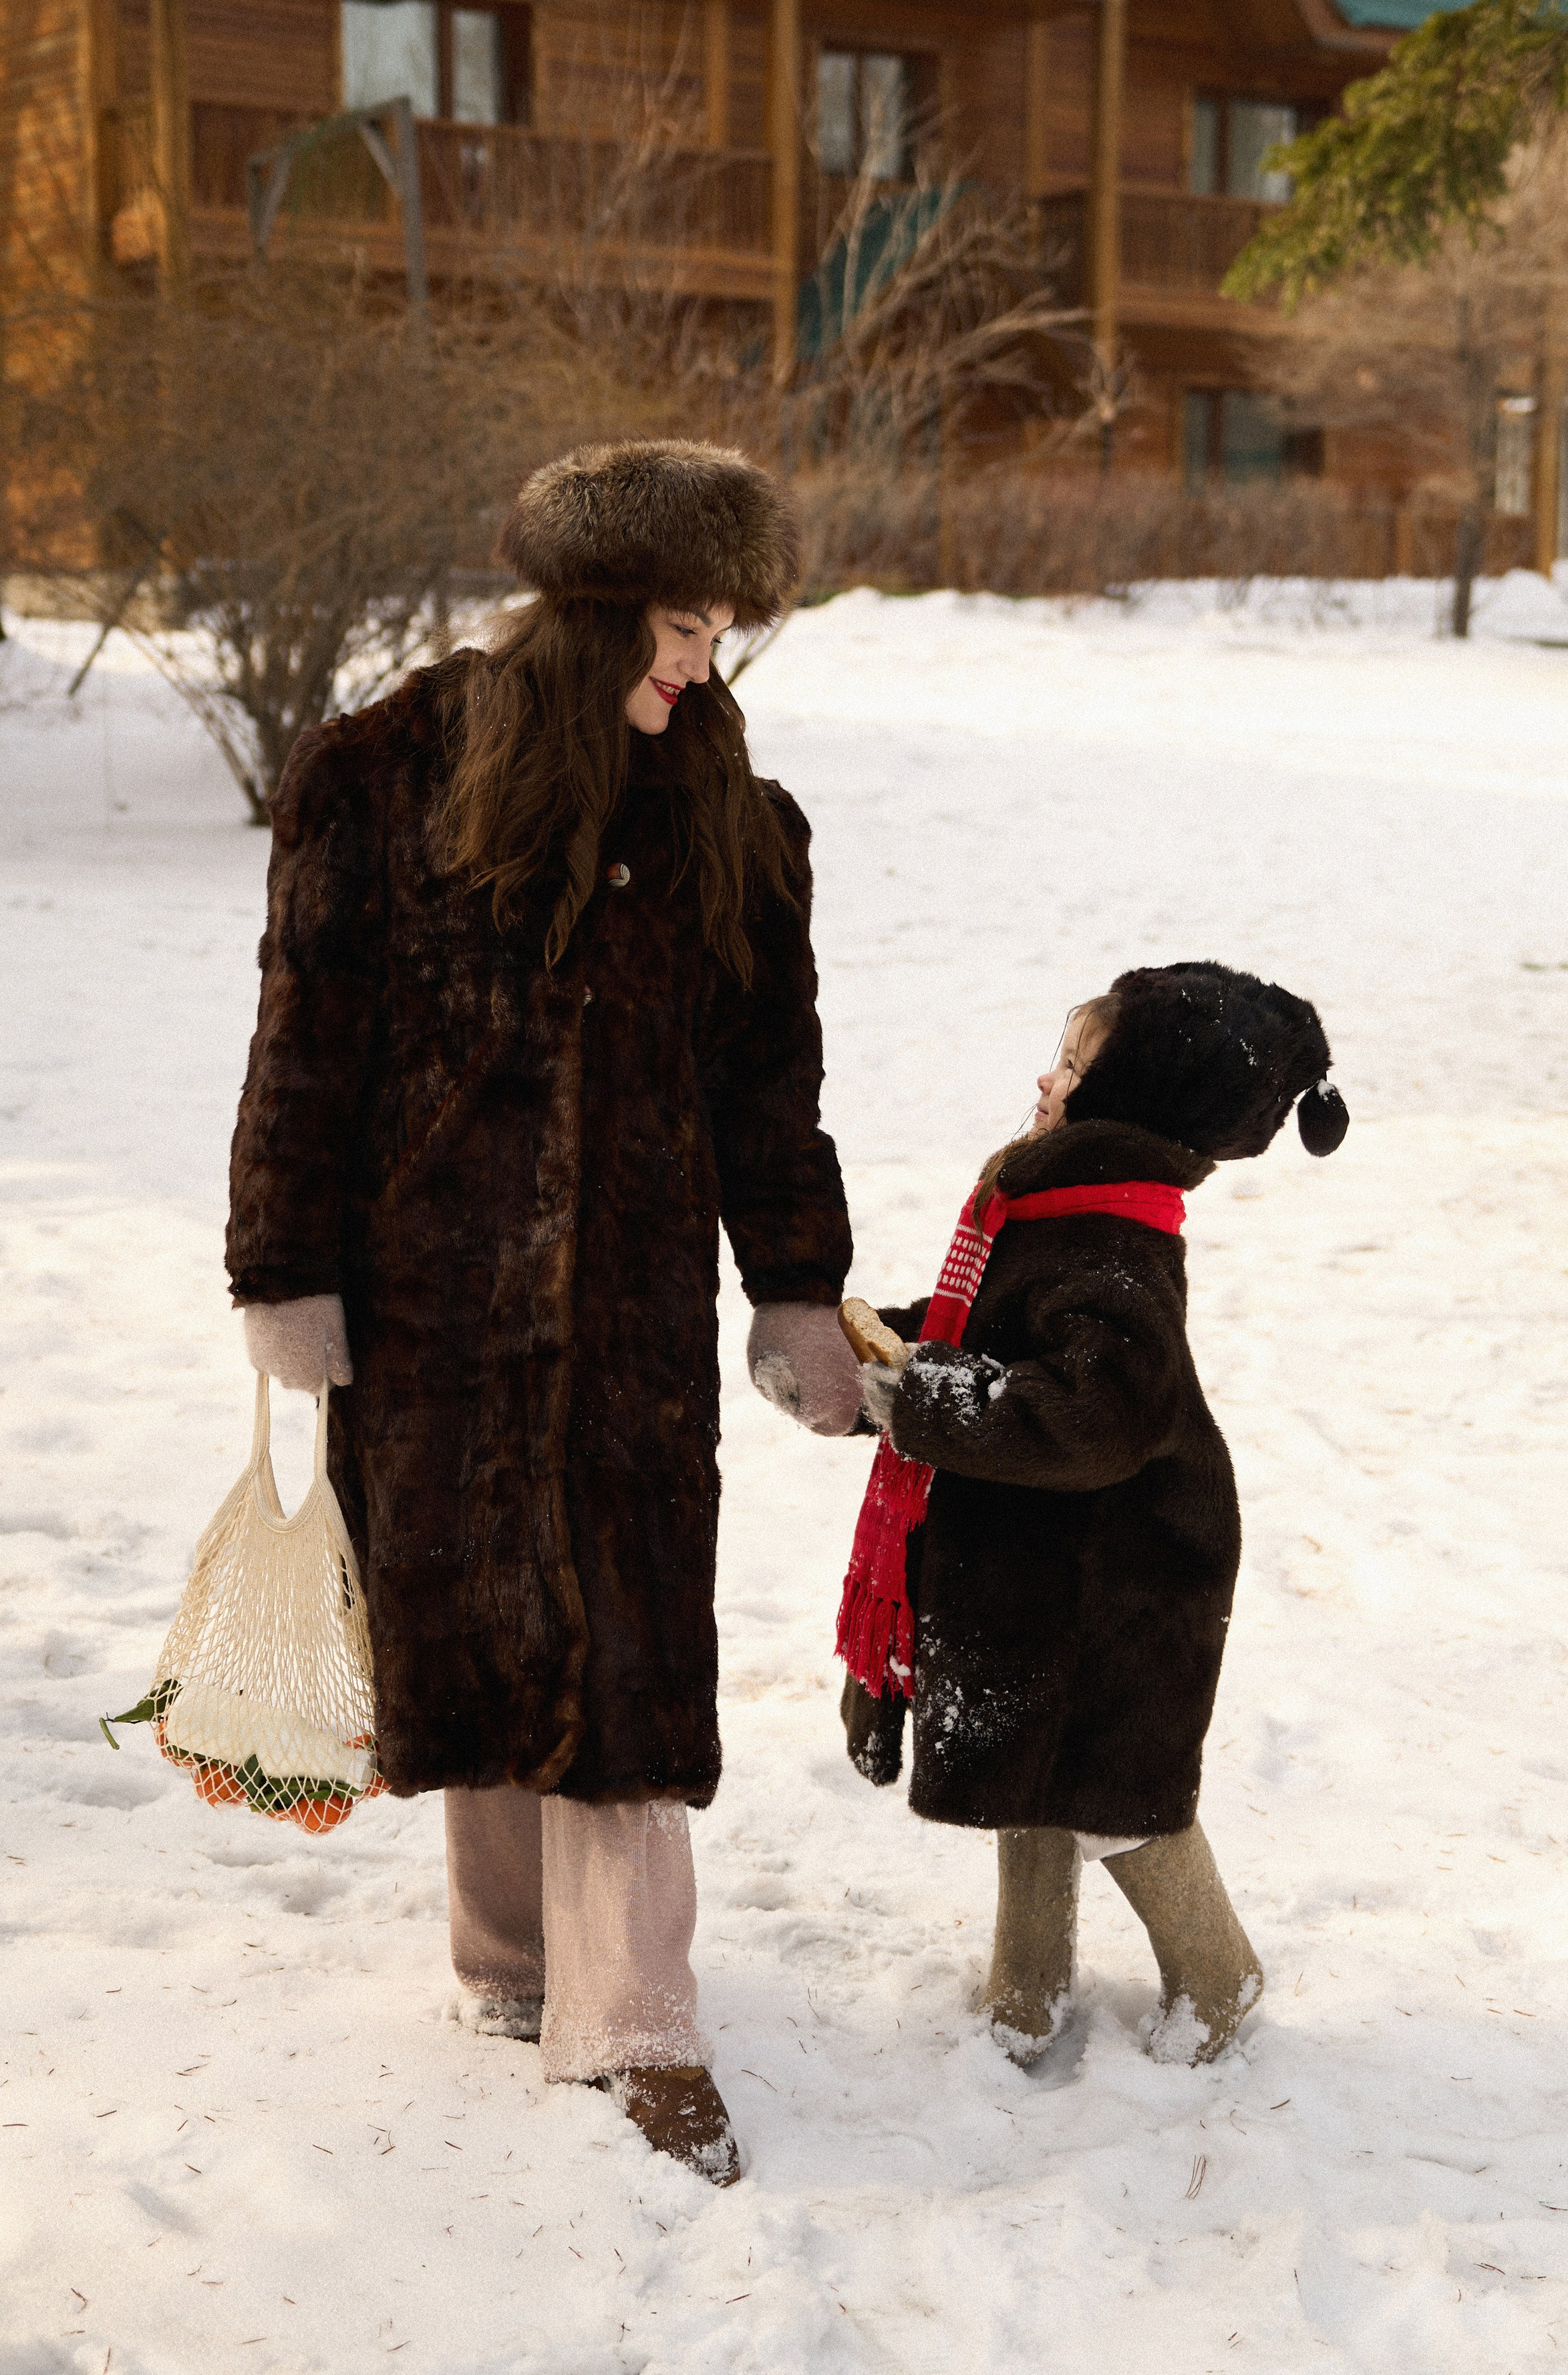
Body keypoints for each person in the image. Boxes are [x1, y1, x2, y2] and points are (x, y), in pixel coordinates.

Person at [226, 440, 862, 2184]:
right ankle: (515, 1960)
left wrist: (798, 1284)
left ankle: (634, 2017)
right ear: (588, 615)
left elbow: (769, 1083)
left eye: (726, 628)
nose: (703, 661)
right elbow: (306, 1040)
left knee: (627, 1643)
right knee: (480, 1624)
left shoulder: (737, 816)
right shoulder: (380, 778)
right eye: (677, 623)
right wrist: (285, 1265)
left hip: (635, 1319)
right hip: (430, 1306)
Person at [836, 963, 1350, 2066]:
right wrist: (879, 1351)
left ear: (1131, 1097)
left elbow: (1099, 1414)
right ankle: (1024, 1996)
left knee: (1120, 1803)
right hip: (1040, 1568)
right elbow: (990, 1331)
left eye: (1073, 1065)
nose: (1046, 1076)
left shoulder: (1116, 1240)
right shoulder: (1057, 1205)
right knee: (1031, 1787)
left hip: (1123, 1578)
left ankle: (1218, 1978)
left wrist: (917, 1400)